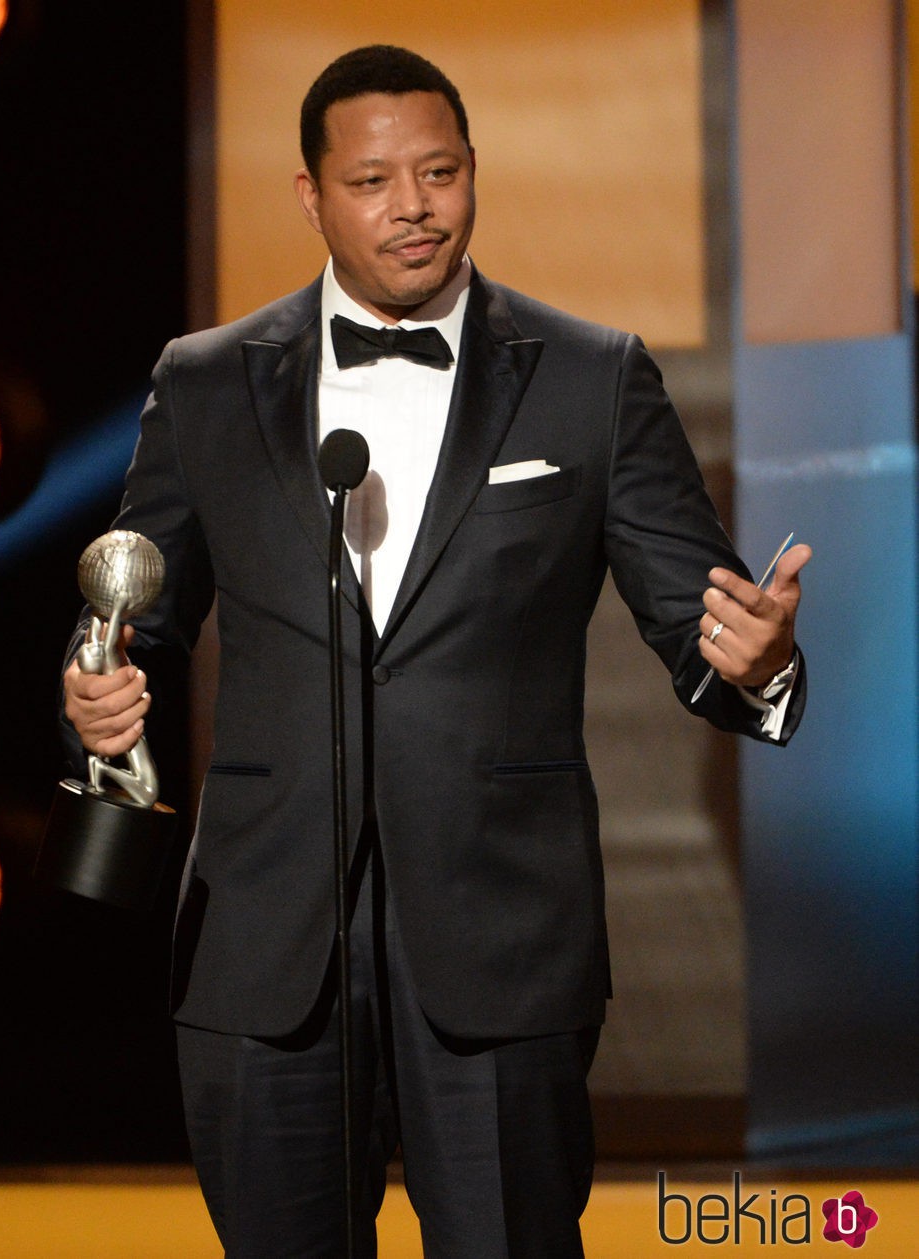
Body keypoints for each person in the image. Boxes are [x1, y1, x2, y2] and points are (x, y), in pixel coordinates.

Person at [61, 45, 810, 1259]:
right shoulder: (202, 384)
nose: (412, 204)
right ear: (310, 195)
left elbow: (700, 626)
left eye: (440, 171)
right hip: (263, 942)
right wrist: (97, 699)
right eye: (371, 181)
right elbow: (132, 611)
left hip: (501, 934)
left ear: (472, 175)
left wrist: (754, 661)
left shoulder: (589, 377)